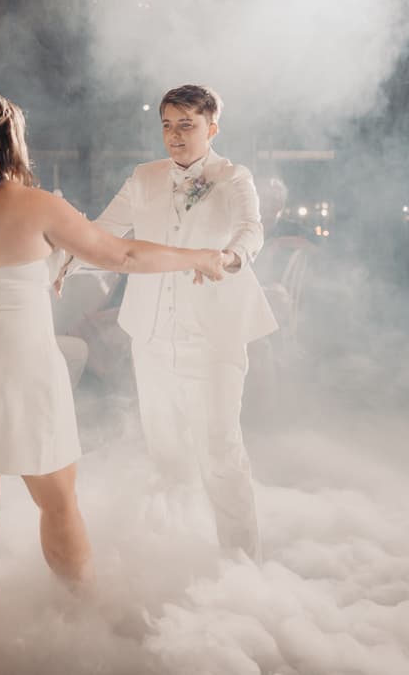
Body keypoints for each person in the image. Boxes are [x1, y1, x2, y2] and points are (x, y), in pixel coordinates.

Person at [0, 89, 224, 625]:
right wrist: (198, 256)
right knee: (58, 500)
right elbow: (125, 254)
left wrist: (55, 254)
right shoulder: (37, 204)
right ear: (8, 139)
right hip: (19, 365)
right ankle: (85, 614)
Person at [72, 84, 278, 563]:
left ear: (212, 127)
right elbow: (101, 232)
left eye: (187, 124)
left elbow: (253, 229)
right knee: (165, 451)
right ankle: (178, 550)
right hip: (151, 335)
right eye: (167, 124)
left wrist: (230, 255)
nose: (175, 135)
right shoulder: (143, 177)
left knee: (220, 451)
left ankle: (242, 561)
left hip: (214, 333)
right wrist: (61, 259)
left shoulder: (233, 176)